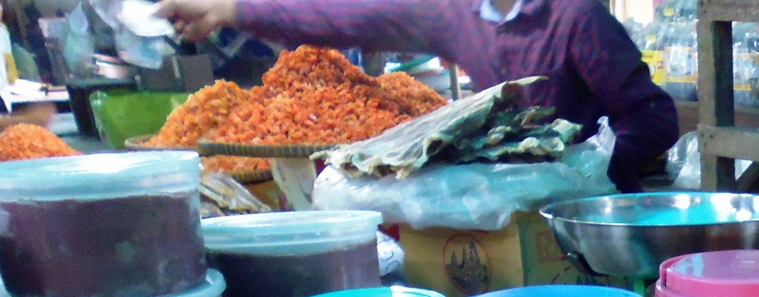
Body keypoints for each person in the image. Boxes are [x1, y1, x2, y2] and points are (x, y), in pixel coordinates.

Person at [154, 0, 679, 191]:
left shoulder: (576, 18)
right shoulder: (459, 15)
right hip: (503, 199)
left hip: (581, 207)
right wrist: (236, 10)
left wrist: (585, 172)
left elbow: (654, 119)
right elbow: (349, 16)